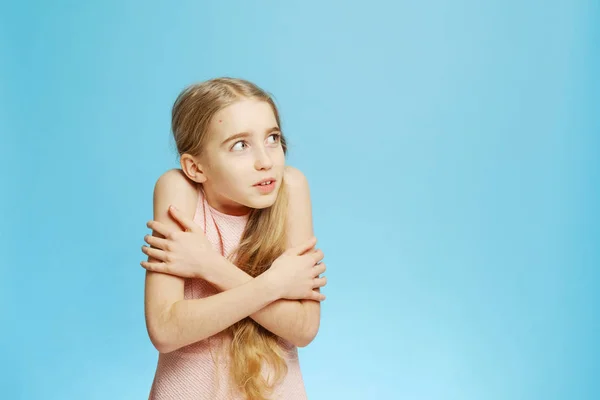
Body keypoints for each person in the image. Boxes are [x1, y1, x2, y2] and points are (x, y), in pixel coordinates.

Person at [139, 77, 328, 400]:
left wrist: (210, 266)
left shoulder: (290, 186)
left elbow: (303, 328)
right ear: (196, 168)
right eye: (240, 145)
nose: (266, 161)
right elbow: (165, 330)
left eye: (272, 138)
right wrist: (275, 285)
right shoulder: (178, 189)